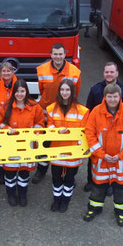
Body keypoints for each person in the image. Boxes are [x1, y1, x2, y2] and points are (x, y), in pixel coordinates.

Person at [83, 83, 123, 227]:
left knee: (121, 188)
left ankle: (121, 212)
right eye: (110, 97)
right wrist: (101, 154)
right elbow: (89, 134)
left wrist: (121, 155)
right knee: (98, 186)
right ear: (105, 97)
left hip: (121, 161)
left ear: (120, 97)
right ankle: (94, 208)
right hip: (102, 160)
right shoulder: (96, 112)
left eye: (115, 97)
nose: (112, 100)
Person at [33, 43, 81, 184]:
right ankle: (41, 170)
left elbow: (75, 93)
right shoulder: (41, 70)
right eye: (55, 54)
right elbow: (42, 91)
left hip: (66, 114)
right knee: (45, 143)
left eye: (60, 54)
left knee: (64, 141)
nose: (58, 57)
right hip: (46, 113)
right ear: (51, 54)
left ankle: (66, 172)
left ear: (65, 54)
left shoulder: (74, 72)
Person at [84, 62, 123, 193]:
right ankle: (91, 181)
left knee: (114, 160)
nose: (109, 74)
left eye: (112, 72)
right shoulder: (95, 89)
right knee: (93, 158)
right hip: (98, 131)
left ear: (117, 73)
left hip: (116, 133)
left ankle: (110, 184)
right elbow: (88, 110)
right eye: (106, 72)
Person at [0, 79, 44, 207]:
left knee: (24, 172)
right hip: (10, 146)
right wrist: (7, 129)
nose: (19, 94)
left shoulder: (35, 106)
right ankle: (11, 194)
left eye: (22, 91)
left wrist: (36, 130)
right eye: (17, 91)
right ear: (13, 92)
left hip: (27, 146)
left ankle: (23, 194)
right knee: (10, 173)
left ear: (26, 92)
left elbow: (40, 123)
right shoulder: (6, 106)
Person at [46, 79, 89, 213]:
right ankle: (57, 199)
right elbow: (49, 127)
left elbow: (85, 132)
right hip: (57, 150)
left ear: (72, 92)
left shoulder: (83, 111)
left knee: (70, 178)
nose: (65, 93)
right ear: (59, 91)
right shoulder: (51, 108)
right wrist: (57, 130)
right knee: (56, 177)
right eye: (62, 90)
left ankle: (65, 201)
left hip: (73, 151)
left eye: (68, 90)